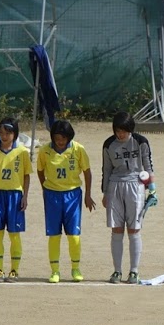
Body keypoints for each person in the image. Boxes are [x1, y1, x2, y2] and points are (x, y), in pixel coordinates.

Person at [37, 119, 96, 284]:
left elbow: (87, 172)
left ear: (69, 137)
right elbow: (40, 171)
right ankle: (55, 271)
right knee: (54, 235)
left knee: (74, 235)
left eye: (63, 137)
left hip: (73, 195)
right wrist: (45, 189)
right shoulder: (44, 151)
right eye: (57, 137)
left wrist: (88, 195)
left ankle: (75, 268)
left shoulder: (78, 149)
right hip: (52, 195)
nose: (60, 141)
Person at [101, 111, 156, 285]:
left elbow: (148, 166)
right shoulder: (108, 144)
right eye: (117, 130)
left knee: (134, 230)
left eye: (123, 130)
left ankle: (134, 271)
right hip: (115, 186)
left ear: (130, 129)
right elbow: (106, 170)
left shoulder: (140, 142)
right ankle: (117, 271)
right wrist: (105, 193)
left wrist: (152, 190)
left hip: (136, 185)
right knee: (116, 230)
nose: (120, 134)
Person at [0, 118, 31, 282]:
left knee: (14, 234)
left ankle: (14, 270)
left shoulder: (22, 152)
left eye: (8, 133)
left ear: (15, 134)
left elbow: (26, 176)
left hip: (15, 195)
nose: (4, 136)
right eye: (2, 133)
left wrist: (25, 196)